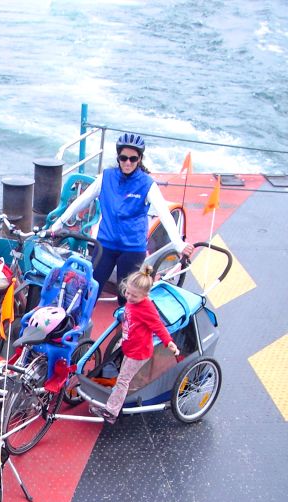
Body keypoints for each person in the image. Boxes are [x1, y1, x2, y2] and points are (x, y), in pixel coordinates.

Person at [48, 131, 194, 303]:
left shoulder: (147, 184)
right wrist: (59, 224)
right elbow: (82, 200)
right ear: (118, 157)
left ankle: (125, 330)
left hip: (132, 249)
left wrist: (179, 244)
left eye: (133, 159)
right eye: (124, 158)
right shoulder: (106, 178)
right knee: (89, 292)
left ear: (139, 159)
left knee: (127, 299)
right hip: (105, 245)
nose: (128, 163)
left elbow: (164, 214)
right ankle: (81, 327)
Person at [90, 265, 179, 425]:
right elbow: (129, 312)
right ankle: (119, 396)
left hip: (139, 351)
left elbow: (158, 326)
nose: (129, 297)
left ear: (145, 295)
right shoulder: (132, 301)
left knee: (123, 380)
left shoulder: (147, 308)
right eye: (127, 293)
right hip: (129, 346)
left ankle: (111, 412)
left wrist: (169, 342)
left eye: (134, 296)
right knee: (124, 377)